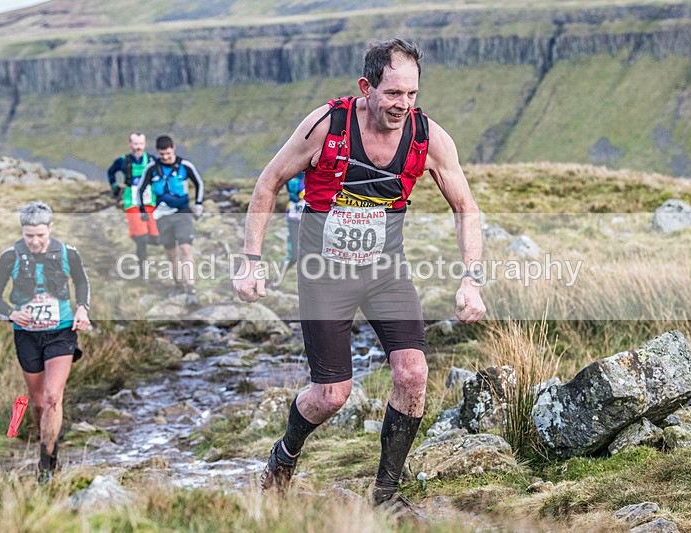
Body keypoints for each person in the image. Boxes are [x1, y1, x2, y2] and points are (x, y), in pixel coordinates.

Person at [232, 38, 486, 510]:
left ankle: (386, 495)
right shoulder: (326, 124)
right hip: (324, 273)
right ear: (366, 87)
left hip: (385, 271)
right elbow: (268, 183)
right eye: (393, 94)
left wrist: (471, 278)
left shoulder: (429, 137)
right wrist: (251, 259)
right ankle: (283, 457)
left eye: (411, 94)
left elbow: (466, 208)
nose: (403, 105)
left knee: (412, 375)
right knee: (331, 394)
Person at [0, 201, 91, 484]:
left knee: (52, 397)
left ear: (51, 229)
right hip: (28, 335)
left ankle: (46, 465)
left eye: (40, 235)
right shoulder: (10, 256)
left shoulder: (68, 253)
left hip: (61, 332)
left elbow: (82, 284)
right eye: (28, 235)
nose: (34, 241)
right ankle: (50, 442)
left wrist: (82, 309)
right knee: (37, 404)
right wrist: (11, 313)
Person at [136, 135, 204, 307]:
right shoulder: (152, 168)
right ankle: (178, 284)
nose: (165, 157)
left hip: (183, 213)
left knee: (185, 249)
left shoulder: (185, 165)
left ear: (173, 148)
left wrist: (198, 204)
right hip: (162, 215)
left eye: (167, 153)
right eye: (161, 154)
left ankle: (191, 289)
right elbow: (140, 188)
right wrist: (142, 210)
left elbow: (199, 183)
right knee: (171, 253)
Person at [107, 132, 158, 275]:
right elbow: (111, 172)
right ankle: (143, 268)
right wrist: (115, 187)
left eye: (141, 144)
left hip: (150, 200)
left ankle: (136, 237)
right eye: (135, 144)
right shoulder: (123, 161)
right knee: (141, 236)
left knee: (155, 236)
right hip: (132, 201)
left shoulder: (152, 160)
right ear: (130, 144)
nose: (138, 147)